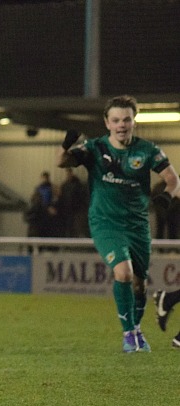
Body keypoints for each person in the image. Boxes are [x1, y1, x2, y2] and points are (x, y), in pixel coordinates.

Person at [56, 95, 180, 353]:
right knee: (123, 273)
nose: (121, 125)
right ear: (107, 123)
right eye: (116, 120)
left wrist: (167, 196)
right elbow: (62, 162)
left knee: (140, 282)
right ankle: (128, 335)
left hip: (137, 226)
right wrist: (65, 145)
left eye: (126, 119)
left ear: (134, 121)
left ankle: (136, 330)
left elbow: (172, 179)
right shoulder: (95, 148)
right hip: (105, 223)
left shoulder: (147, 150)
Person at [57, 167, 89, 238]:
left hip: (76, 211)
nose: (68, 175)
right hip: (66, 210)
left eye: (69, 173)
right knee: (67, 227)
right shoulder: (64, 185)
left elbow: (81, 197)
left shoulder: (78, 185)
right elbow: (61, 198)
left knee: (75, 227)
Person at [25, 171, 58, 237]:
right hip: (40, 211)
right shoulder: (38, 188)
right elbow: (34, 200)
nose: (44, 179)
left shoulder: (51, 188)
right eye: (43, 178)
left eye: (46, 178)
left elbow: (54, 199)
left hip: (48, 212)